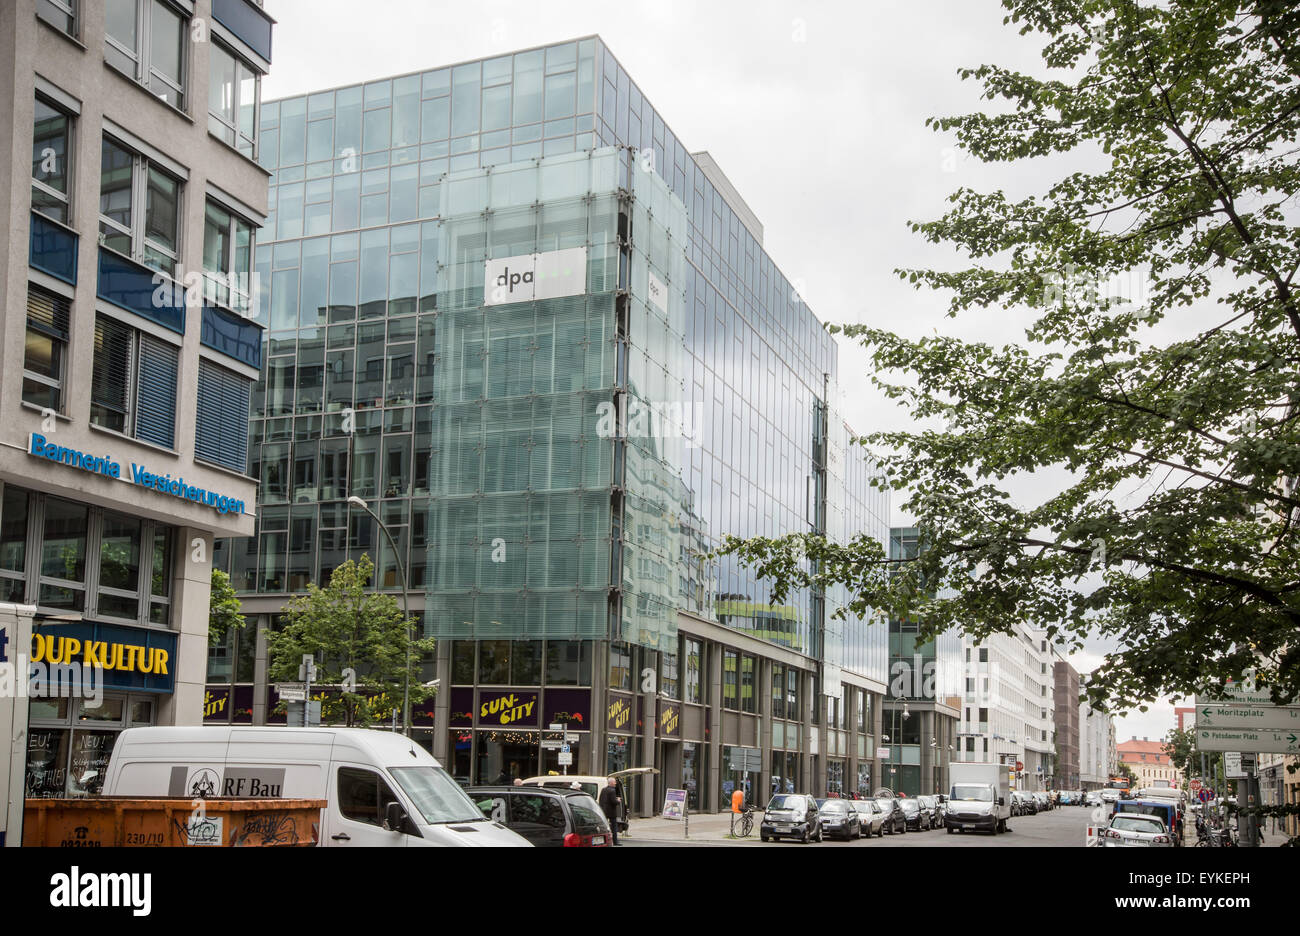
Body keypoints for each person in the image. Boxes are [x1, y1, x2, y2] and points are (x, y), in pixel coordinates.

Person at [598, 777, 623, 846]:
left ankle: (602, 840)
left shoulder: (603, 789)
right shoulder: (612, 790)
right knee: (614, 827)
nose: (615, 783)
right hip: (611, 812)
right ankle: (615, 841)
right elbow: (613, 802)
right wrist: (618, 800)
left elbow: (601, 800)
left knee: (604, 827)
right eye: (614, 782)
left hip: (604, 811)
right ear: (611, 783)